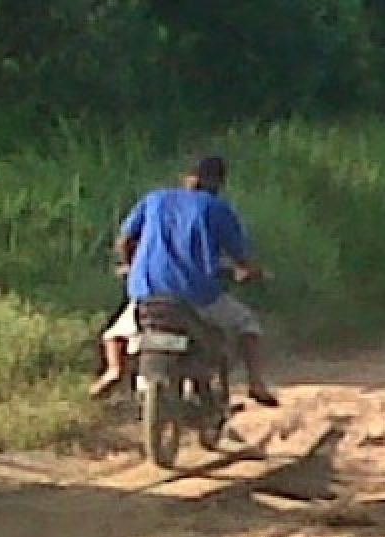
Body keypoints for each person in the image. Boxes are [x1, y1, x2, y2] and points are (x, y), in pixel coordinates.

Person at [89, 156, 278, 407]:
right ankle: (255, 382)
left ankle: (113, 369)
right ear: (219, 182)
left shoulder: (154, 199)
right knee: (247, 325)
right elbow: (240, 256)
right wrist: (254, 272)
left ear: (186, 177)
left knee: (115, 333)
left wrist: (129, 264)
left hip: (148, 293)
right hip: (197, 295)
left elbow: (124, 240)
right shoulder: (217, 208)